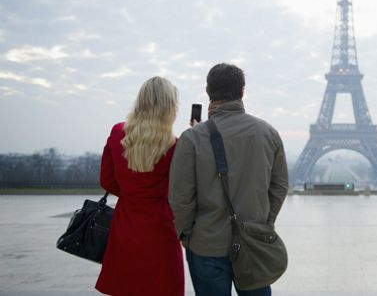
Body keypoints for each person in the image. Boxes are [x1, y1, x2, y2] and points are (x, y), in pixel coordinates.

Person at [169, 63, 289, 296]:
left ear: (208, 92)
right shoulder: (268, 133)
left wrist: (186, 234)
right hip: (255, 241)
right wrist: (265, 221)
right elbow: (280, 186)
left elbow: (180, 197)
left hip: (206, 244)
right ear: (242, 91)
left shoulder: (192, 138)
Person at [96, 76, 185, 296]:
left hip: (125, 226)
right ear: (170, 107)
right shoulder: (176, 145)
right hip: (162, 229)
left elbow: (106, 180)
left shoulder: (118, 133)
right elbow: (182, 191)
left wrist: (131, 194)